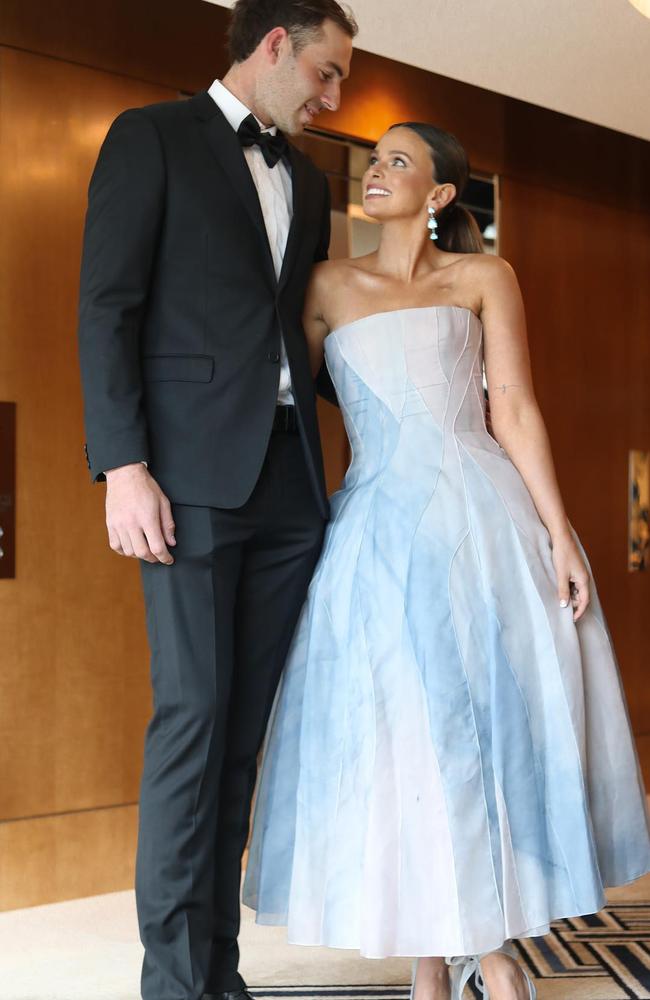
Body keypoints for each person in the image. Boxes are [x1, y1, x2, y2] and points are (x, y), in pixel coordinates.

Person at [243, 122, 650, 1000]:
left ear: (438, 198)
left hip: (483, 518)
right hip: (378, 530)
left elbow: (513, 407)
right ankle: (455, 953)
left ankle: (465, 949)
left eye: (400, 162)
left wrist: (559, 533)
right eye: (376, 159)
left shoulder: (483, 277)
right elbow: (282, 417)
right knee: (403, 736)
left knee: (485, 723)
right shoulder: (322, 287)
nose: (378, 170)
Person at [77, 2, 356, 998]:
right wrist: (124, 466)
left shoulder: (311, 181)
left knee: (241, 734)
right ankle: (175, 982)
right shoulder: (150, 137)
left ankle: (217, 970)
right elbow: (107, 307)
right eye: (325, 74)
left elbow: (298, 336)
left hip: (288, 480)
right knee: (193, 721)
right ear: (274, 44)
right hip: (185, 478)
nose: (332, 99)